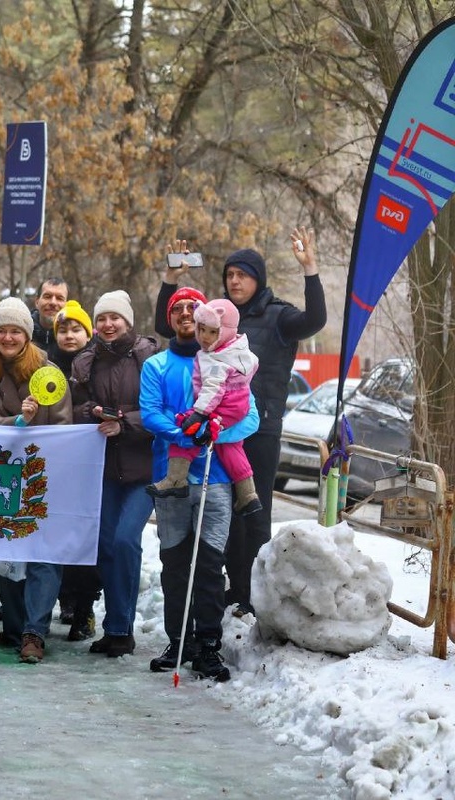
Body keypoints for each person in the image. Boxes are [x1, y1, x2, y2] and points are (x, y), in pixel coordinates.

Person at [153, 230, 326, 616]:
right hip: (219, 432)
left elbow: (315, 320)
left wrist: (310, 269)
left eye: (243, 275)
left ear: (258, 279)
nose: (234, 281)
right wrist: (171, 279)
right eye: (230, 274)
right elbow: (168, 328)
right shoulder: (216, 316)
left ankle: (254, 594)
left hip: (260, 429)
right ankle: (235, 588)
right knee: (222, 511)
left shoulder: (278, 315)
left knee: (254, 510)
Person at [140, 289, 260, 681]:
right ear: (171, 317)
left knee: (209, 567)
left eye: (195, 308)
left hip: (217, 480)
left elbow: (250, 419)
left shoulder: (229, 360)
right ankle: (180, 642)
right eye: (179, 309)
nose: (187, 314)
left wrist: (212, 432)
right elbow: (150, 414)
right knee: (174, 565)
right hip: (171, 480)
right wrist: (188, 434)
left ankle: (209, 646)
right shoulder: (157, 365)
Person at [0, 297, 72, 664]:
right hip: (0, 473)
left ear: (27, 335)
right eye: (2, 330)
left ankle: (35, 632)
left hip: (42, 476)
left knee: (44, 555)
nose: (9, 337)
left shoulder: (49, 372)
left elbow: (63, 425)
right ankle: (15, 626)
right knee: (6, 555)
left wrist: (45, 449)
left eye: (16, 330)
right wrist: (17, 423)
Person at [69, 290, 157, 658]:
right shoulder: (86, 361)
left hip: (143, 469)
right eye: (102, 318)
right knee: (104, 545)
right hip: (103, 468)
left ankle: (123, 627)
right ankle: (114, 628)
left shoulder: (148, 357)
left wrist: (124, 423)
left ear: (127, 320)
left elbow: (160, 411)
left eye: (114, 318)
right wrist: (92, 411)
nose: (107, 324)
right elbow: (73, 407)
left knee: (125, 541)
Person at [148, 298, 262, 516]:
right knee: (232, 447)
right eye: (202, 330)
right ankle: (248, 494)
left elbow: (213, 389)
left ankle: (175, 479)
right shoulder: (235, 349)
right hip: (236, 404)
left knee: (187, 428)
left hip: (223, 405)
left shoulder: (219, 359)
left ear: (225, 330)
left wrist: (199, 416)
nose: (205, 337)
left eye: (212, 332)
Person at [50, 299, 101, 640]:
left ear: (89, 332)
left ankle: (84, 608)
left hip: (90, 463)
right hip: (54, 464)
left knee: (85, 537)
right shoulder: (47, 366)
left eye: (76, 329)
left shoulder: (99, 364)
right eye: (63, 330)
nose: (70, 335)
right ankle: (61, 598)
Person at [30, 277, 69, 360]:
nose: (53, 302)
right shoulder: (23, 335)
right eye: (47, 296)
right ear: (37, 302)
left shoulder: (75, 339)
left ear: (67, 304)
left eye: (59, 298)